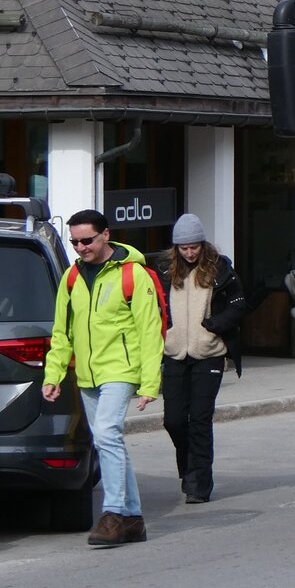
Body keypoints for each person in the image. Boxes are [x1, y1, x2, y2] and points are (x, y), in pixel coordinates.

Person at [41, 209, 163, 547]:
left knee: (108, 435)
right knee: (106, 441)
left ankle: (112, 514)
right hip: (87, 374)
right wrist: (54, 374)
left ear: (106, 235)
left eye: (87, 240)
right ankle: (134, 519)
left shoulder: (133, 275)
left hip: (120, 370)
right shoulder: (71, 278)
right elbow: (61, 332)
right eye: (74, 241)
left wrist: (150, 383)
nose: (80, 247)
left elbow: (150, 331)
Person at [160, 213, 250, 504]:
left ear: (202, 244)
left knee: (199, 419)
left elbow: (238, 305)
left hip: (208, 353)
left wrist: (214, 326)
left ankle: (199, 484)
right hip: (174, 353)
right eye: (184, 248)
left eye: (194, 246)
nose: (189, 252)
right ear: (176, 248)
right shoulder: (164, 271)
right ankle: (188, 468)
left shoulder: (220, 268)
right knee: (174, 421)